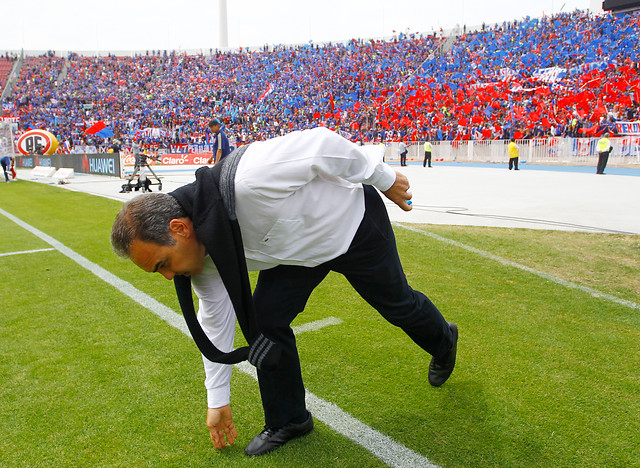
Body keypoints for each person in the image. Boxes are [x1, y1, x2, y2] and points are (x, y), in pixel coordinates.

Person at [110, 127, 458, 457]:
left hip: (351, 225)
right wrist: (217, 400)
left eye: (162, 264)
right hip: (295, 254)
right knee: (264, 322)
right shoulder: (202, 253)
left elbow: (322, 145)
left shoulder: (249, 178)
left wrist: (384, 178)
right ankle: (289, 419)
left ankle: (443, 340)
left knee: (398, 306)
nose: (170, 276)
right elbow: (215, 322)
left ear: (179, 228)